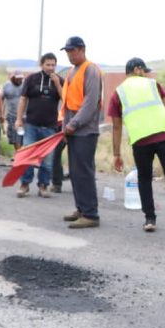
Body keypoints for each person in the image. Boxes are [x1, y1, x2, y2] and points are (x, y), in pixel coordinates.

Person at [110, 58, 165, 232]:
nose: (146, 74)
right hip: (164, 135)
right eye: (145, 71)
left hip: (140, 140)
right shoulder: (153, 84)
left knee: (144, 178)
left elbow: (116, 126)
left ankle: (149, 220)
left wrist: (116, 154)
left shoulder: (118, 93)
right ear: (137, 69)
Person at [59, 36, 102, 229]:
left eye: (73, 51)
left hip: (85, 131)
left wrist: (74, 124)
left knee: (84, 173)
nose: (70, 54)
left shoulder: (91, 70)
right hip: (73, 130)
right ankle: (81, 208)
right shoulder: (71, 71)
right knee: (75, 173)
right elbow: (67, 103)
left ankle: (91, 214)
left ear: (82, 49)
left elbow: (90, 103)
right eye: (67, 51)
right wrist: (65, 126)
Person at [14, 53, 63, 197]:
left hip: (50, 127)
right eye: (48, 64)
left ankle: (43, 186)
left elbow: (66, 99)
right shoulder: (32, 79)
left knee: (47, 160)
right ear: (42, 65)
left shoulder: (60, 80)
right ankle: (24, 185)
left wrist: (57, 84)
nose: (51, 67)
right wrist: (18, 119)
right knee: (28, 156)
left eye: (53, 65)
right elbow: (23, 99)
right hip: (31, 125)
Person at [2, 70, 25, 150]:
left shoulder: (25, 85)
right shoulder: (6, 86)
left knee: (23, 136)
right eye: (17, 78)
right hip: (12, 115)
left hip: (25, 116)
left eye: (21, 78)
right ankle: (18, 153)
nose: (19, 80)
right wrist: (2, 114)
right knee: (15, 137)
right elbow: (1, 100)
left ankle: (22, 153)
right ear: (13, 78)